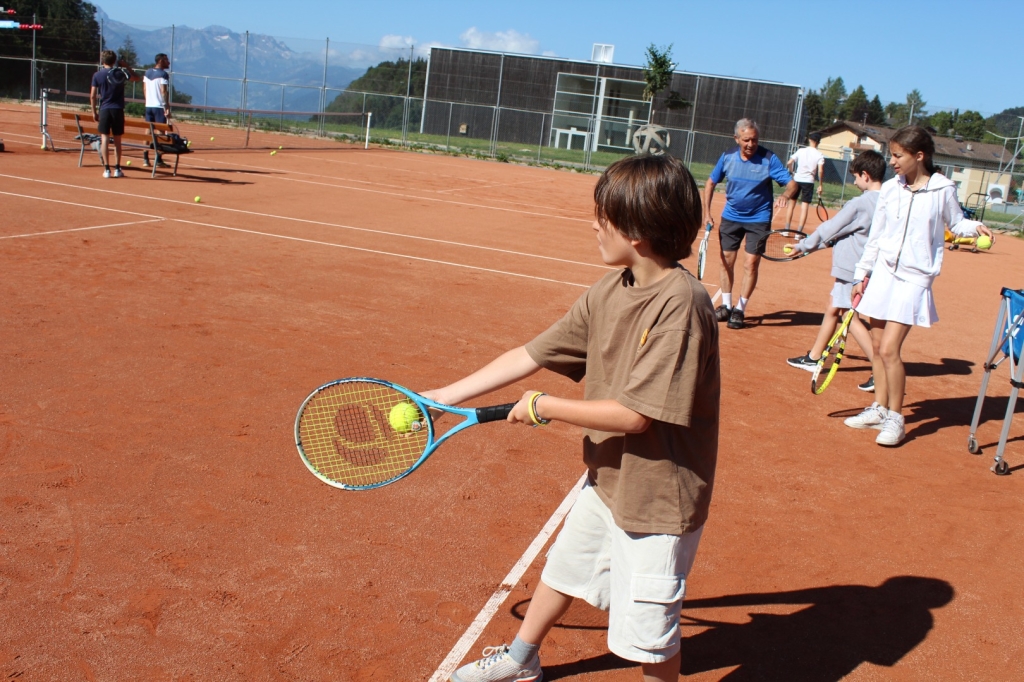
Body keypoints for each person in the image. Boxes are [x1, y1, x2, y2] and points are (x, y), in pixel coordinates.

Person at [424, 155, 720, 682]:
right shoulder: (610, 290)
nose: (594, 226)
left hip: (656, 499)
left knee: (650, 638)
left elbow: (634, 416)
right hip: (609, 476)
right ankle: (520, 660)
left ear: (639, 230)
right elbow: (532, 353)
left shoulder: (682, 303)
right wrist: (444, 395)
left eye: (603, 218)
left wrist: (544, 407)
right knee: (565, 568)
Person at [843, 126, 994, 446]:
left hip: (914, 279)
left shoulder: (943, 189)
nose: (892, 161)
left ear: (919, 156)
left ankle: (896, 419)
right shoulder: (889, 190)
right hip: (882, 274)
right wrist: (861, 275)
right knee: (878, 348)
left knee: (888, 350)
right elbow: (877, 236)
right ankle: (880, 409)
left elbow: (956, 223)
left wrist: (975, 226)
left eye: (898, 155)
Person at [786, 150, 886, 393]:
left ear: (865, 175)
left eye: (855, 176)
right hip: (870, 268)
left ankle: (881, 371)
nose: (854, 182)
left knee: (848, 318)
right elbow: (845, 233)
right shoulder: (889, 202)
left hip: (851, 269)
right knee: (834, 306)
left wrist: (804, 246)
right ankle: (814, 356)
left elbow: (831, 227)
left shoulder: (861, 203)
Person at [703, 118, 798, 330]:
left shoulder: (768, 158)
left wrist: (785, 195)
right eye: (746, 140)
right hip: (731, 216)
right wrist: (707, 213)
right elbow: (710, 183)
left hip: (759, 219)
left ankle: (740, 309)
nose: (750, 144)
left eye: (754, 140)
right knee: (726, 260)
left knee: (750, 263)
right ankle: (726, 306)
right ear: (736, 139)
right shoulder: (727, 157)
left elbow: (792, 184)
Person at [90, 50, 140, 178]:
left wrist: (94, 112)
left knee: (105, 139)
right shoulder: (120, 73)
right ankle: (118, 168)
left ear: (103, 61)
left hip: (105, 110)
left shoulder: (97, 75)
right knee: (117, 140)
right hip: (118, 109)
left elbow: (93, 95)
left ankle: (107, 169)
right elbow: (136, 78)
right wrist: (126, 66)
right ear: (114, 60)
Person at [785, 132, 826, 230]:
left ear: (809, 140)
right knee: (805, 207)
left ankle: (786, 230)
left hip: (797, 180)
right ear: (818, 142)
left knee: (791, 204)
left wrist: (792, 172)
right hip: (809, 182)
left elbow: (789, 163)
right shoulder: (820, 155)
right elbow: (820, 171)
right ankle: (799, 233)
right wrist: (820, 185)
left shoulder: (801, 151)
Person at [143, 52, 172, 168]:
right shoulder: (163, 74)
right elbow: (163, 91)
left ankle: (145, 158)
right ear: (160, 61)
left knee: (148, 132)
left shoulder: (147, 72)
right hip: (159, 107)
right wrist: (167, 106)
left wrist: (148, 101)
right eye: (166, 60)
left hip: (148, 106)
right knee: (160, 133)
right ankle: (158, 159)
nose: (168, 62)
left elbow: (144, 89)